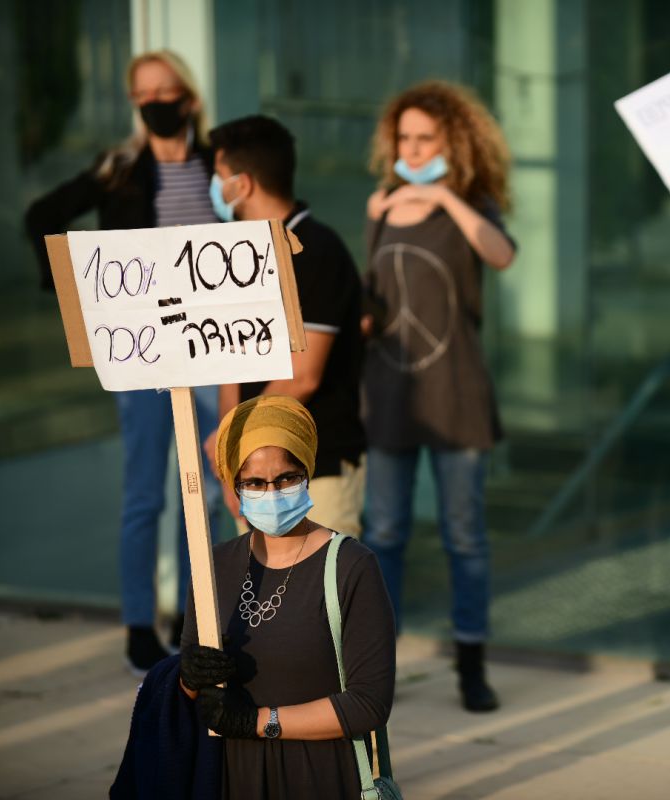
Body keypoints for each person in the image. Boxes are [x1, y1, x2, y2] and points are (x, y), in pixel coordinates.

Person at [25, 49, 223, 674]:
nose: (156, 102)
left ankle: (204, 622)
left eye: (166, 91)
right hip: (142, 353)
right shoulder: (118, 168)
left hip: (215, 349)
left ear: (189, 98)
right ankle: (141, 625)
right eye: (143, 94)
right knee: (145, 495)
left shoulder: (221, 164)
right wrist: (80, 294)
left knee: (215, 490)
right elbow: (43, 217)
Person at [360, 80, 516, 712]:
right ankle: (378, 667)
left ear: (453, 142)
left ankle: (471, 666)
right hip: (389, 394)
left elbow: (501, 256)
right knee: (386, 533)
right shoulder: (378, 208)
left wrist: (446, 198)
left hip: (457, 394)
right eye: (406, 138)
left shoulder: (472, 204)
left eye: (428, 138)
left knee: (464, 535)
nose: (415, 149)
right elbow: (374, 296)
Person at [180, 395, 395, 799]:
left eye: (287, 478)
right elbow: (190, 692)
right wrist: (187, 679)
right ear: (235, 489)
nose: (273, 493)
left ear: (307, 474)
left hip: (322, 777)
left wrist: (259, 721)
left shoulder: (351, 566)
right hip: (233, 778)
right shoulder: (214, 566)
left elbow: (369, 703)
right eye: (255, 483)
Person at [202, 114, 366, 537]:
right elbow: (229, 363)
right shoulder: (234, 253)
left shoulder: (315, 252)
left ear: (243, 184)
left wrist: (237, 439)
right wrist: (230, 450)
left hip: (316, 467)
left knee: (325, 597)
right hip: (252, 468)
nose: (214, 189)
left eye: (218, 177)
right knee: (261, 601)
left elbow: (301, 376)